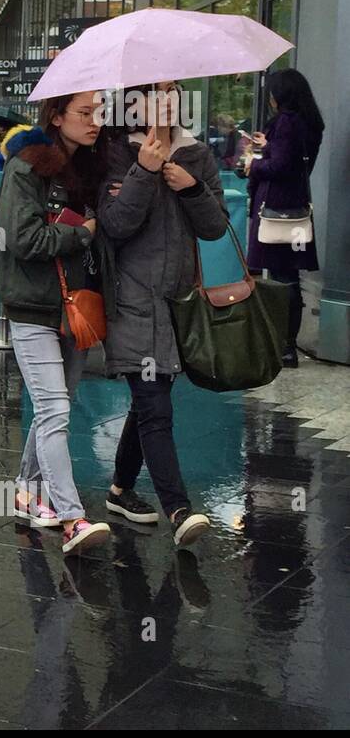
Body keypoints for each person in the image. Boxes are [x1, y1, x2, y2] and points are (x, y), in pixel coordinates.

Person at [98, 81, 221, 549]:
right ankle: (178, 508)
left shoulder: (198, 155)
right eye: (152, 90)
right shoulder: (115, 153)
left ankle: (118, 489)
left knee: (149, 401)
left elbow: (214, 229)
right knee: (155, 406)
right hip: (131, 298)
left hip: (178, 304)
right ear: (133, 102)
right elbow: (114, 225)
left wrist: (192, 190)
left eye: (172, 89)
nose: (165, 99)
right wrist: (144, 172)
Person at [0, 96, 113, 554]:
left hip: (77, 306)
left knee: (54, 407)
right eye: (84, 113)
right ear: (57, 116)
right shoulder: (27, 167)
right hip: (32, 305)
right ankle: (72, 516)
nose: (95, 122)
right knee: (55, 411)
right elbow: (23, 239)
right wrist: (82, 232)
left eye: (99, 112)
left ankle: (25, 491)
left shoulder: (95, 169)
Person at [238, 68, 324, 367]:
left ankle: (283, 346)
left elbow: (279, 168)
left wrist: (254, 164)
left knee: (281, 278)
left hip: (276, 210)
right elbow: (293, 160)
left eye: (273, 92)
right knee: (290, 276)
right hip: (296, 209)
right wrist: (268, 145)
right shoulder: (309, 123)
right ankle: (286, 344)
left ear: (281, 95)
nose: (270, 98)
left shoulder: (287, 123)